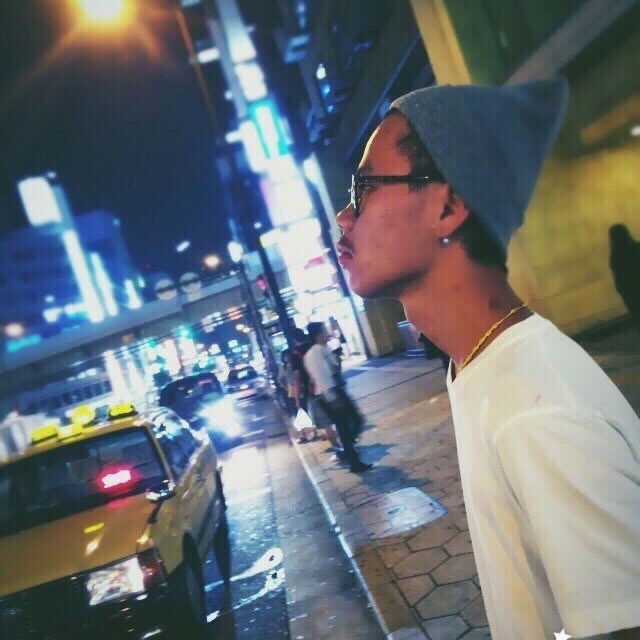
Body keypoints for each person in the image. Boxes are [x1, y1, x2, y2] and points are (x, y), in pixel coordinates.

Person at [335, 79, 640, 639]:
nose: (342, 216)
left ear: (449, 206)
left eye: (364, 187)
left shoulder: (541, 417)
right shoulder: (476, 366)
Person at [304, 321, 372, 473]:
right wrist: (332, 397)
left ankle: (349, 454)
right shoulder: (315, 352)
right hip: (331, 393)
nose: (327, 333)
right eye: (324, 330)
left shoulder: (321, 350)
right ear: (317, 334)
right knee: (353, 422)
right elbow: (322, 377)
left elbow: (334, 369)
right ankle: (349, 453)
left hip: (332, 392)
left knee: (347, 426)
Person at [609, 223, 640, 333]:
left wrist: (622, 290)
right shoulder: (637, 247)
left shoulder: (615, 257)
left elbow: (618, 279)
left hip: (630, 294)